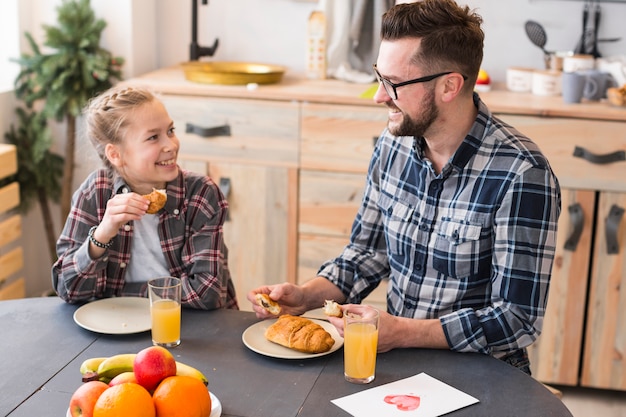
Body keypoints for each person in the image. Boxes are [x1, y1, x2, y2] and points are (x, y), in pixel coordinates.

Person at [248, 0, 560, 374]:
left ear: (449, 86)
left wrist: (403, 333)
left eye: (393, 83)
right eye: (380, 78)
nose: (380, 96)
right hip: (399, 362)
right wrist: (307, 296)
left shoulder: (522, 173)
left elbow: (516, 319)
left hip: (484, 373)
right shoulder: (393, 143)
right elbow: (366, 252)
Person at [52, 85, 238, 310]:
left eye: (170, 130)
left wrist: (114, 296)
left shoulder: (200, 194)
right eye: (153, 137)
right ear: (115, 154)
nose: (170, 145)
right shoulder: (95, 192)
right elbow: (67, 288)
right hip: (117, 328)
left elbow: (206, 292)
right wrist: (103, 234)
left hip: (191, 328)